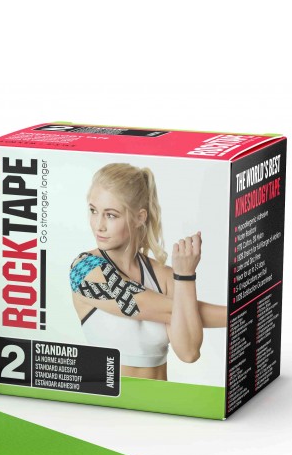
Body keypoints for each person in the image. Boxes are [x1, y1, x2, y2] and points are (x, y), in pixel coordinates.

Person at [70, 163, 226, 381]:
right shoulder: (83, 271)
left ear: (140, 217)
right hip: (108, 399)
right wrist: (243, 311)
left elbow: (188, 352)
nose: (98, 225)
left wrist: (185, 276)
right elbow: (142, 304)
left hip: (160, 398)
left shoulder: (164, 276)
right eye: (93, 211)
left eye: (111, 215)